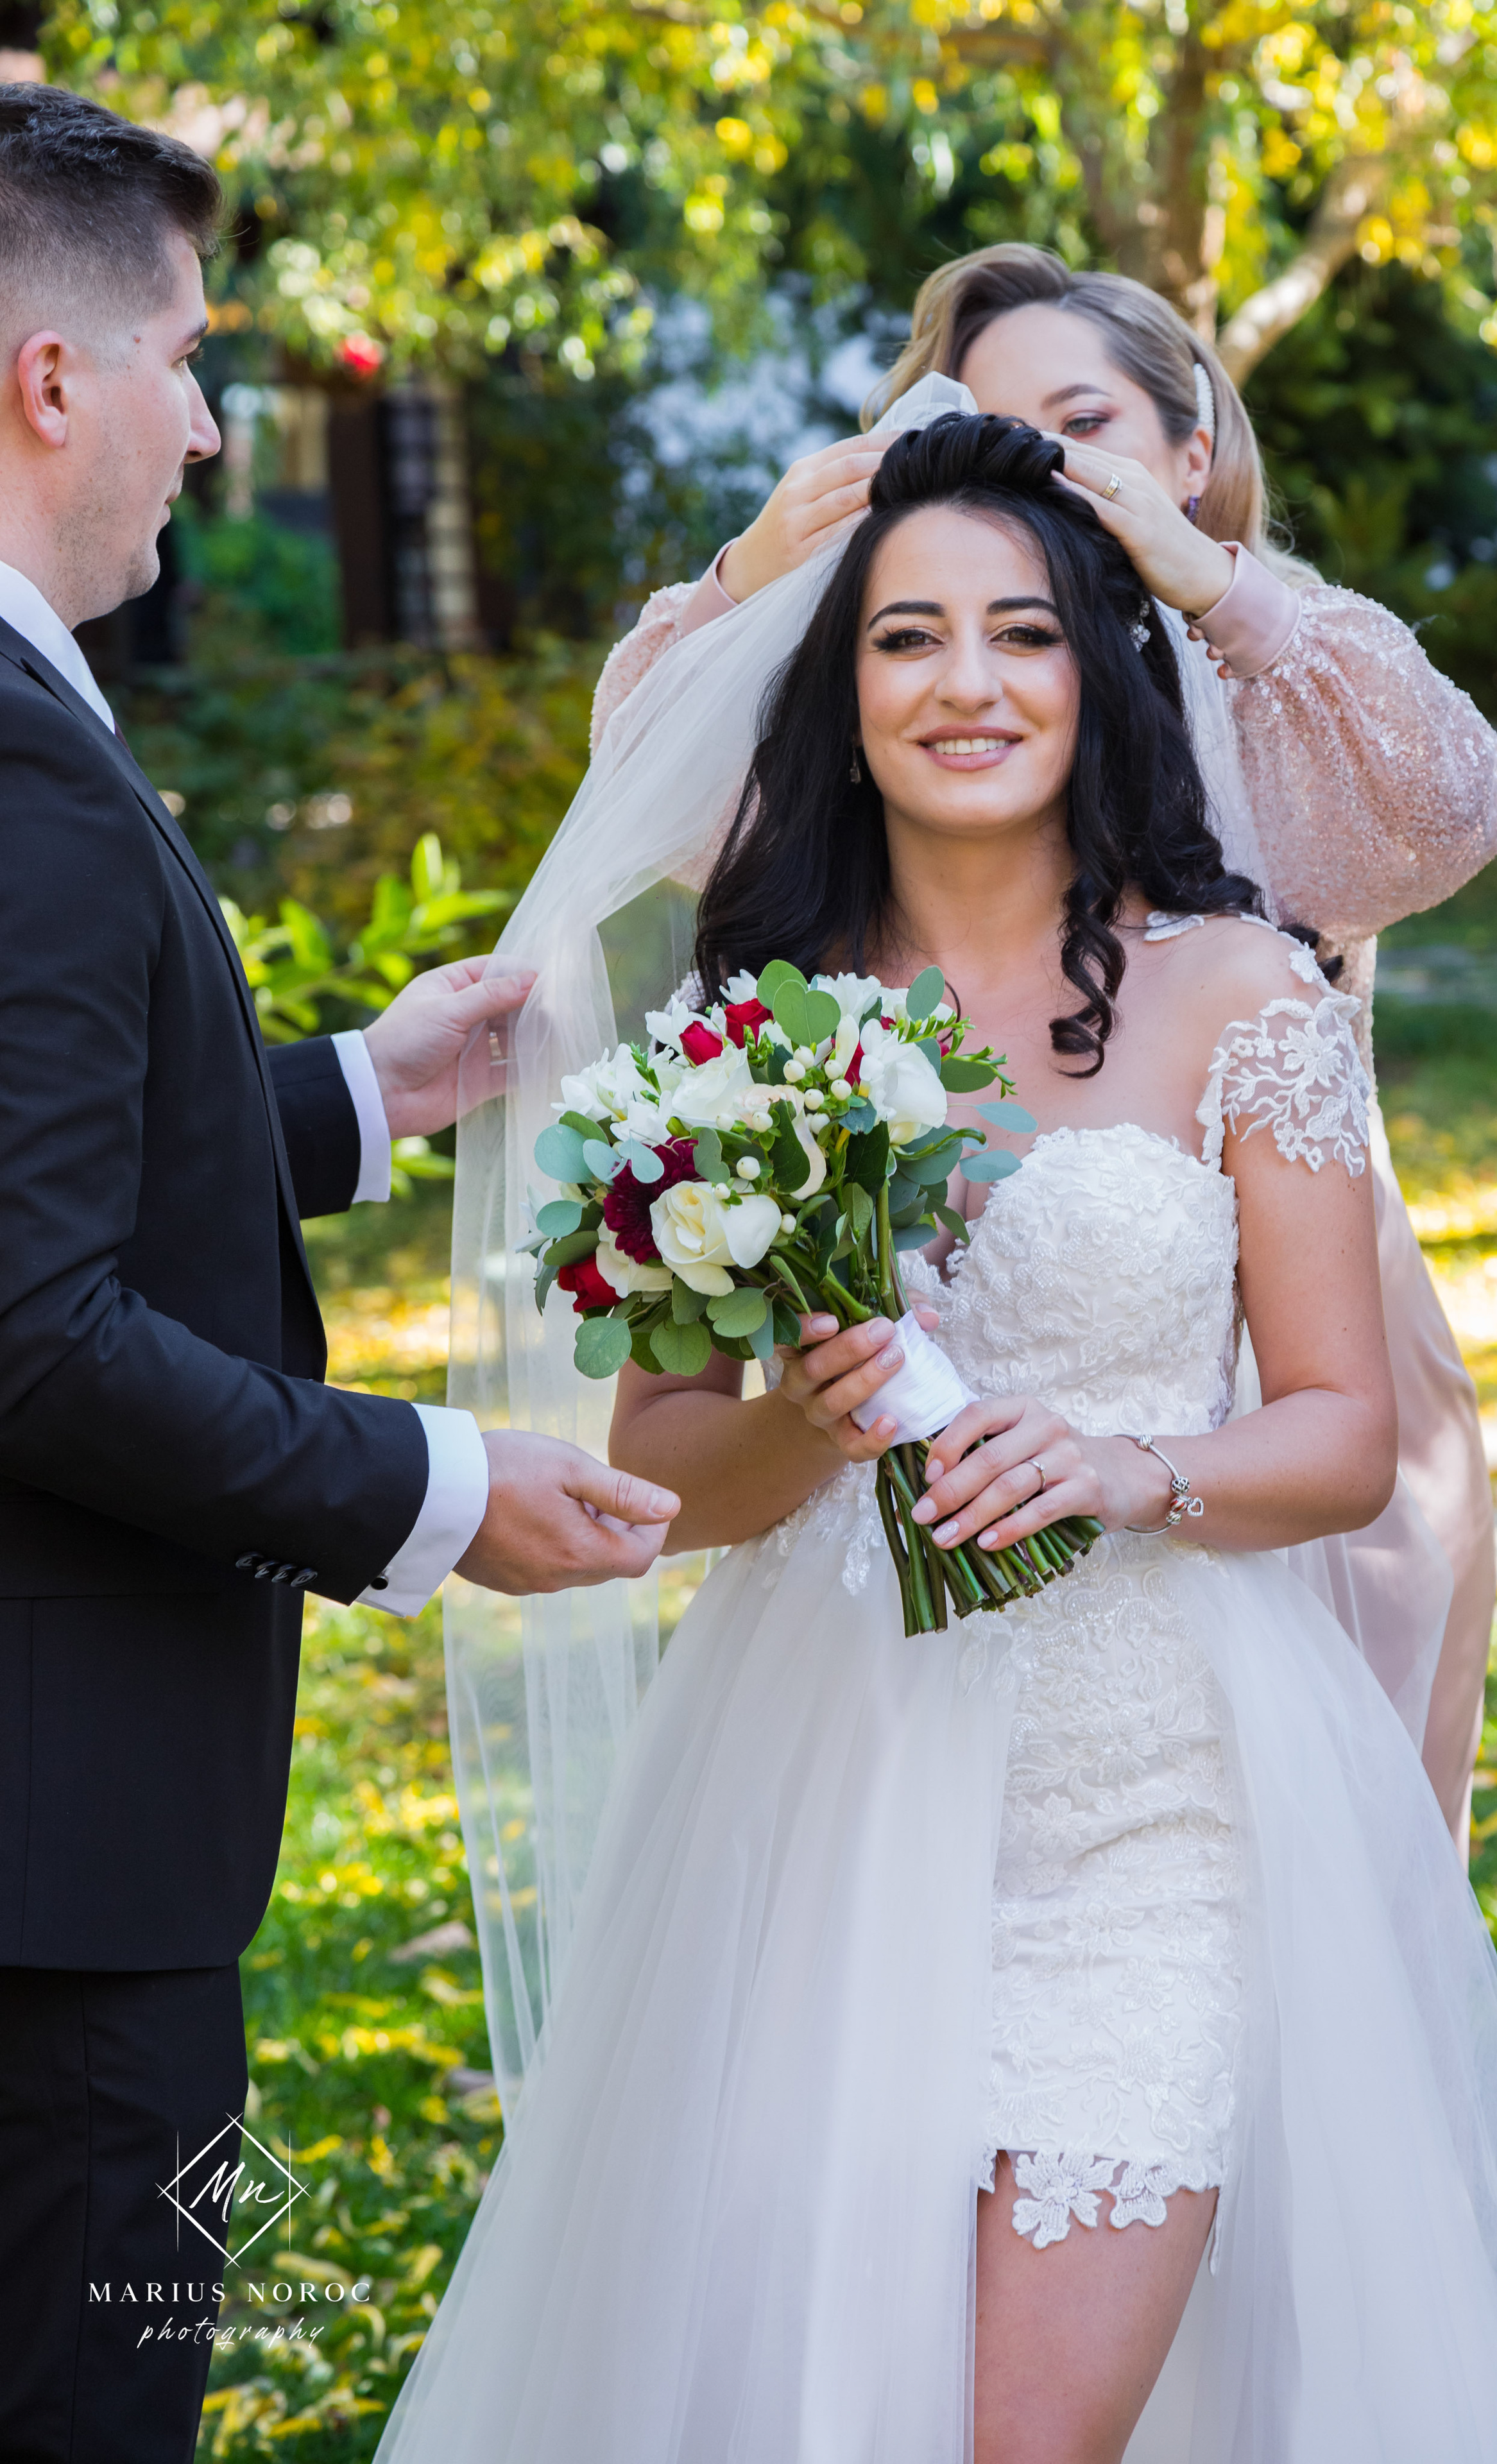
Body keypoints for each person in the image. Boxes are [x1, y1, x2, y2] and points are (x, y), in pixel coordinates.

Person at [377, 414, 1497, 2461]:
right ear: (843, 690)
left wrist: (1142, 1472)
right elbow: (667, 1483)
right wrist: (811, 1420)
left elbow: (1345, 1433)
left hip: (1156, 1812)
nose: (966, 683)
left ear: (1097, 674)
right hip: (827, 1794)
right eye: (908, 638)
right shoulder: (746, 1029)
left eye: (1023, 633)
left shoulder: (1246, 997)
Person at [0, 84, 677, 2464]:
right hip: (58, 1888)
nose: (211, 428)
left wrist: (361, 1095)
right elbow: (30, 1334)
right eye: (190, 361)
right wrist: (432, 1485)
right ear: (49, 378)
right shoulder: (23, 767)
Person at [592, 244, 1497, 1857]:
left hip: (1244, 1433)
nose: (1032, 469)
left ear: (1187, 452)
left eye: (1075, 427)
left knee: (1356, 1809)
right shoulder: (788, 987)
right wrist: (749, 576)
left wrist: (1208, 583)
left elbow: (1447, 804)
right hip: (851, 1676)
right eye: (979, 426)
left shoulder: (1274, 743)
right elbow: (648, 778)